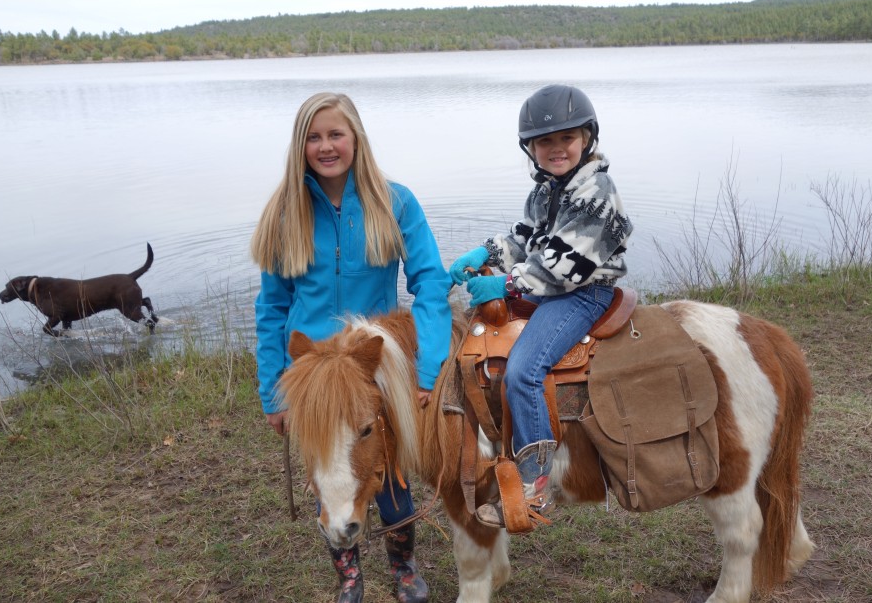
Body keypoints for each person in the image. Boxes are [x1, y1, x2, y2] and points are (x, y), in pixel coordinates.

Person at [251, 92, 451, 603]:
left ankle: (404, 566)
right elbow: (272, 308)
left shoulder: (394, 200)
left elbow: (430, 282)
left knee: (390, 474)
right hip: (312, 373)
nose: (325, 146)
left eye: (335, 134)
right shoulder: (284, 213)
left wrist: (429, 364)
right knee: (329, 473)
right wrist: (274, 392)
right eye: (313, 137)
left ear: (356, 137)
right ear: (300, 146)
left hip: (372, 363)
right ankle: (348, 575)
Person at [450, 84, 634, 528]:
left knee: (524, 369)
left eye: (566, 139)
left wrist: (506, 284)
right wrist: (487, 253)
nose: (556, 149)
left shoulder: (597, 191)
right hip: (553, 285)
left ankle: (536, 484)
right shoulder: (546, 189)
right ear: (530, 149)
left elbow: (566, 265)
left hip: (584, 292)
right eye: (545, 141)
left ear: (586, 138)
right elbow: (527, 241)